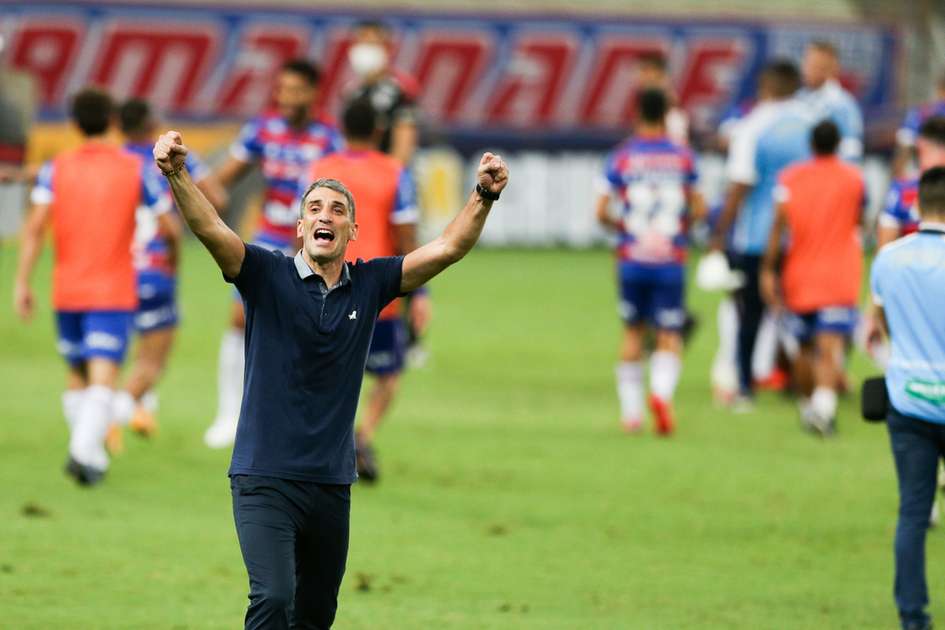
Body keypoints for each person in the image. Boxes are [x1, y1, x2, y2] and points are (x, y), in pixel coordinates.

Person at [152, 127, 508, 629]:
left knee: (316, 615)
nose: (326, 216)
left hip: (330, 483)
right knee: (273, 597)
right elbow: (210, 228)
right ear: (300, 227)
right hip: (264, 477)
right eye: (316, 208)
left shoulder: (371, 284)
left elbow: (448, 247)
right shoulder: (264, 274)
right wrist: (177, 174)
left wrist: (483, 196)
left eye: (338, 210)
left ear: (352, 230)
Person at [13, 87, 174, 485]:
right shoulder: (134, 169)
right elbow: (169, 226)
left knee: (77, 375)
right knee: (102, 376)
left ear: (74, 124)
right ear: (113, 122)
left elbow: (34, 229)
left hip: (66, 289)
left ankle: (92, 459)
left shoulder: (55, 168)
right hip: (112, 289)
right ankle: (83, 451)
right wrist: (172, 259)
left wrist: (22, 282)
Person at [203, 58, 343, 449]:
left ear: (313, 93)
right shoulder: (263, 129)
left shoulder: (330, 139)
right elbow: (222, 179)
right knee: (239, 320)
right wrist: (200, 195)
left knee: (304, 329)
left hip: (310, 245)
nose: (286, 97)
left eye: (295, 90)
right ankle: (229, 415)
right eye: (282, 89)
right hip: (267, 237)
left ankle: (294, 417)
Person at [308, 97, 420, 482]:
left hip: (324, 286)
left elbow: (302, 229)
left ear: (342, 129)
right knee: (388, 374)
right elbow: (406, 234)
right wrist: (419, 293)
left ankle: (327, 443)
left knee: (325, 371)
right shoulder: (394, 172)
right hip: (376, 290)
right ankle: (363, 435)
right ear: (379, 131)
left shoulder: (321, 169)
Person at [106, 98, 225, 450]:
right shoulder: (169, 156)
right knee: (153, 361)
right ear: (152, 123)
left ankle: (139, 411)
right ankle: (109, 416)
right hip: (155, 267)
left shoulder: (115, 162)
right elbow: (218, 198)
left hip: (117, 270)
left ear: (119, 127)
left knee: (124, 350)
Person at [595, 89, 705, 434]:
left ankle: (631, 415)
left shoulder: (621, 157)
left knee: (632, 331)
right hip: (670, 259)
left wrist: (625, 230)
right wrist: (679, 231)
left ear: (636, 112)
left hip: (632, 258)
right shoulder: (684, 157)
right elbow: (699, 208)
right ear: (666, 115)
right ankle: (660, 394)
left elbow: (601, 212)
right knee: (669, 333)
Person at [867, 165, 945, 630]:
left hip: (909, 398)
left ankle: (913, 616)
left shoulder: (888, 259)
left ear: (917, 204)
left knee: (913, 513)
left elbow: (882, 322)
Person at [710, 59, 813, 409]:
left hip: (757, 236)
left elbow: (741, 183)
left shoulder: (753, 126)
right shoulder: (813, 123)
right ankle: (806, 388)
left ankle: (744, 388)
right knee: (800, 314)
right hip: (804, 237)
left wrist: (719, 232)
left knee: (750, 313)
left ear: (765, 86)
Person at [760, 120, 864, 435]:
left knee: (803, 348)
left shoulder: (790, 179)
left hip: (799, 275)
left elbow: (777, 229)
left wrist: (767, 270)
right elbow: (860, 219)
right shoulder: (854, 179)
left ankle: (811, 408)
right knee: (829, 345)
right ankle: (823, 409)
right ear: (838, 144)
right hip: (839, 274)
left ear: (811, 145)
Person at [345, 20, 432, 366]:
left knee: (403, 255)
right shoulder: (352, 92)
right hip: (359, 189)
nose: (363, 49)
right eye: (360, 41)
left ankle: (410, 336)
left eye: (371, 42)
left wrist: (386, 181)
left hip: (388, 188)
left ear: (386, 48)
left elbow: (403, 147)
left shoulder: (399, 91)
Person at [880, 117, 945, 249]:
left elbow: (884, 250)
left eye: (925, 151)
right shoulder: (902, 189)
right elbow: (885, 250)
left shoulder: (902, 189)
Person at [796, 40, 864, 162]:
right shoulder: (798, 98)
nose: (807, 70)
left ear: (832, 69)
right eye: (806, 63)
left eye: (815, 65)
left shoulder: (842, 105)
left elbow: (851, 151)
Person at [893, 73, 945, 179]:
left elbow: (905, 146)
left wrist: (897, 178)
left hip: (929, 177)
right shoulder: (923, 113)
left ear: (939, 89)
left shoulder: (921, 113)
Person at [637, 51, 689, 146]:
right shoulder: (644, 101)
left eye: (644, 70)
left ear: (656, 72)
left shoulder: (673, 116)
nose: (639, 76)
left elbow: (680, 149)